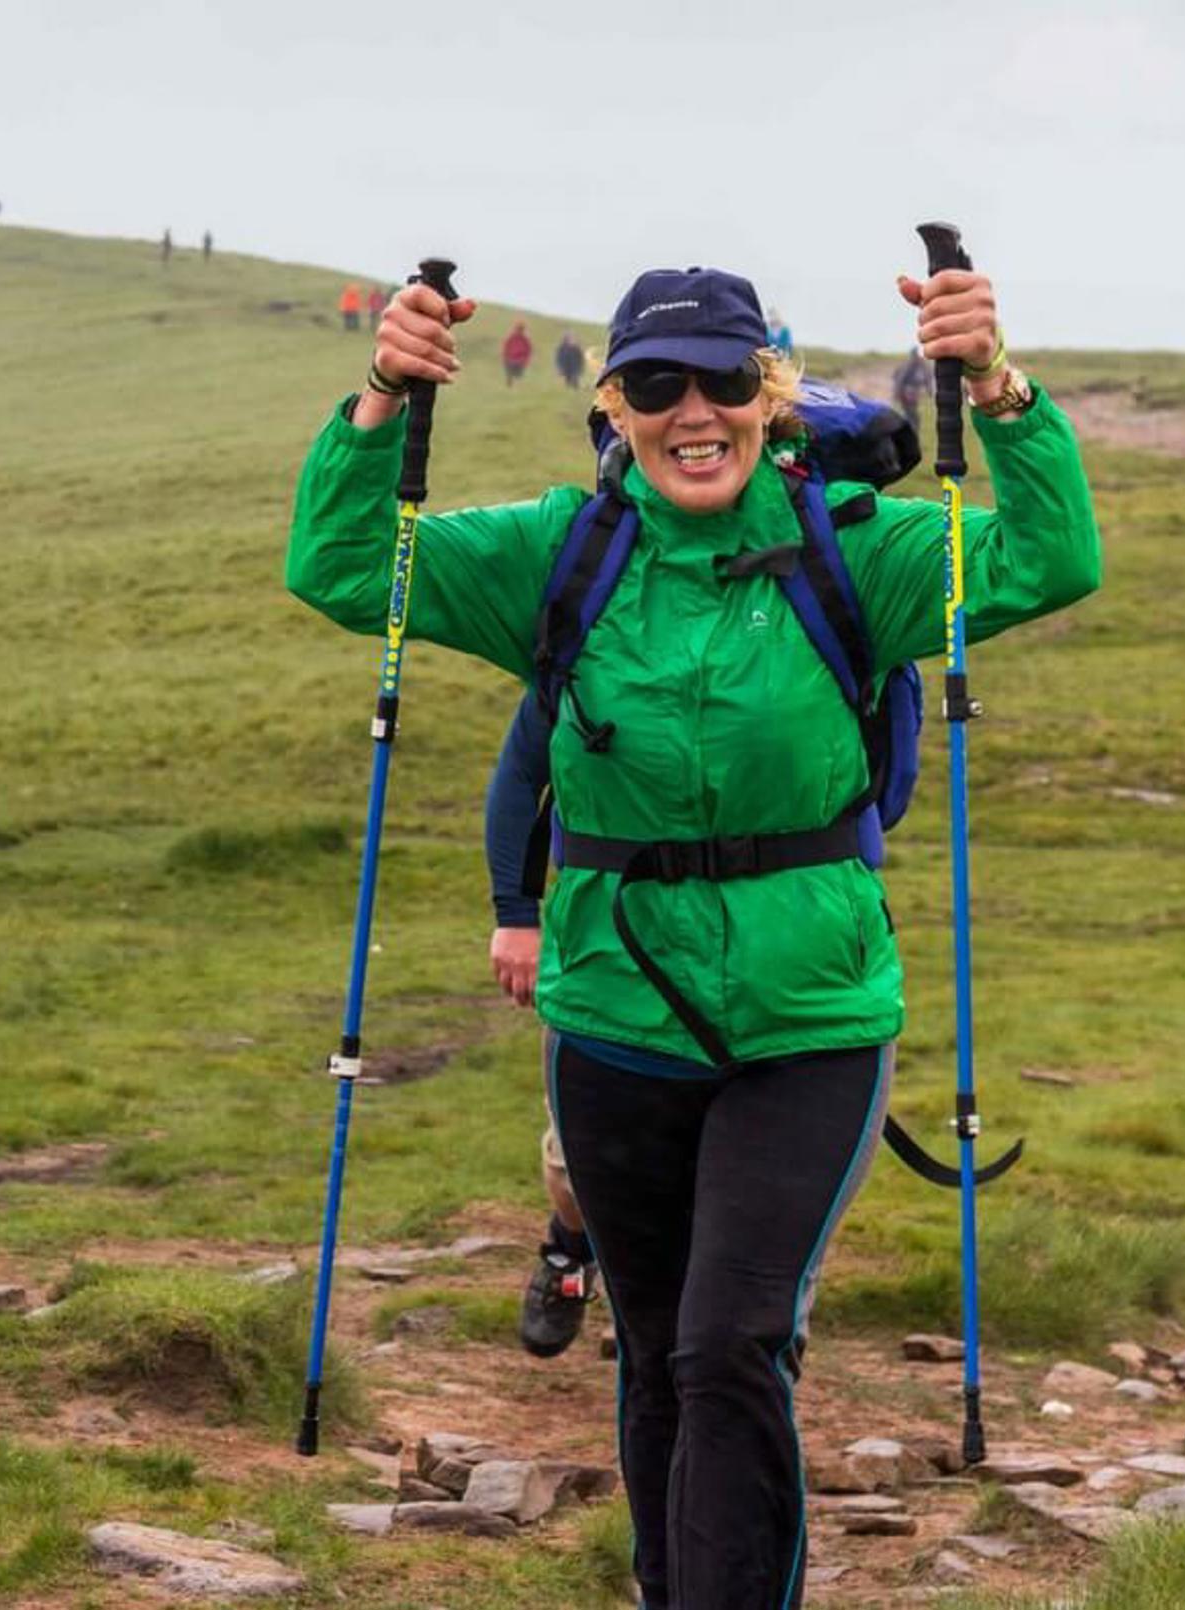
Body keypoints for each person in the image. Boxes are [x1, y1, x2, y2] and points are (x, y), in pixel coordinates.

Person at [287, 261, 1098, 1609]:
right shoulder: (562, 554)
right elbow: (340, 568)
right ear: (614, 405)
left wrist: (999, 389)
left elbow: (1050, 557)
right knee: (661, 1347)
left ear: (773, 398)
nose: (694, 410)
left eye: (726, 379)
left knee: (730, 1343)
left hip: (811, 1023)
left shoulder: (860, 552)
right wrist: (382, 395)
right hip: (616, 1017)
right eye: (656, 384)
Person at [485, 692, 598, 1357]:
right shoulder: (589, 621)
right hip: (602, 935)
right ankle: (571, 1251)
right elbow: (522, 774)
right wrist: (515, 913)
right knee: (576, 1163)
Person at [892, 346, 932, 433]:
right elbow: (899, 380)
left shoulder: (922, 366)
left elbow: (927, 378)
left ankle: (912, 433)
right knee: (911, 415)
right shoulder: (907, 366)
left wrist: (929, 390)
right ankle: (909, 432)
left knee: (913, 415)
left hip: (914, 394)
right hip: (906, 393)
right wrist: (897, 393)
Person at [501, 319, 533, 384]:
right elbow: (505, 348)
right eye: (518, 329)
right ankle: (510, 386)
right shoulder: (511, 337)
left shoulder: (525, 339)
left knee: (518, 376)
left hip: (520, 361)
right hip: (510, 360)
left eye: (521, 329)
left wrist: (525, 361)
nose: (519, 331)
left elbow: (529, 351)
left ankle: (517, 387)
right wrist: (505, 358)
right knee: (510, 375)